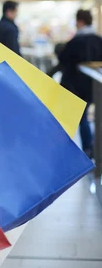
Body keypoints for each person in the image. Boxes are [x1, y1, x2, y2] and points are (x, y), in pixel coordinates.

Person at [59, 9, 102, 158]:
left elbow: (63, 59)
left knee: (81, 117)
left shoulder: (75, 41)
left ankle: (88, 149)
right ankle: (94, 149)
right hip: (96, 86)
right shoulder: (98, 40)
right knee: (97, 117)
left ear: (80, 21)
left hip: (77, 87)